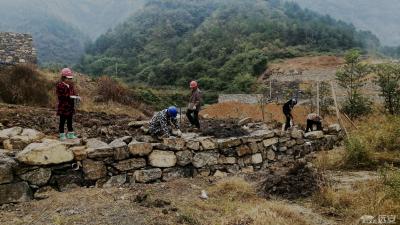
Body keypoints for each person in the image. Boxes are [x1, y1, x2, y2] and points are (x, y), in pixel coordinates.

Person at [56, 68, 80, 141]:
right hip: (63, 106)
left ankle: (70, 134)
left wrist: (76, 96)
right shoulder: (60, 86)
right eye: (68, 78)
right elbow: (61, 96)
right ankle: (62, 134)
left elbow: (73, 93)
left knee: (70, 121)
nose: (69, 80)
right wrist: (69, 96)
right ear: (63, 78)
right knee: (62, 121)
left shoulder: (71, 86)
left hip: (70, 106)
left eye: (70, 78)